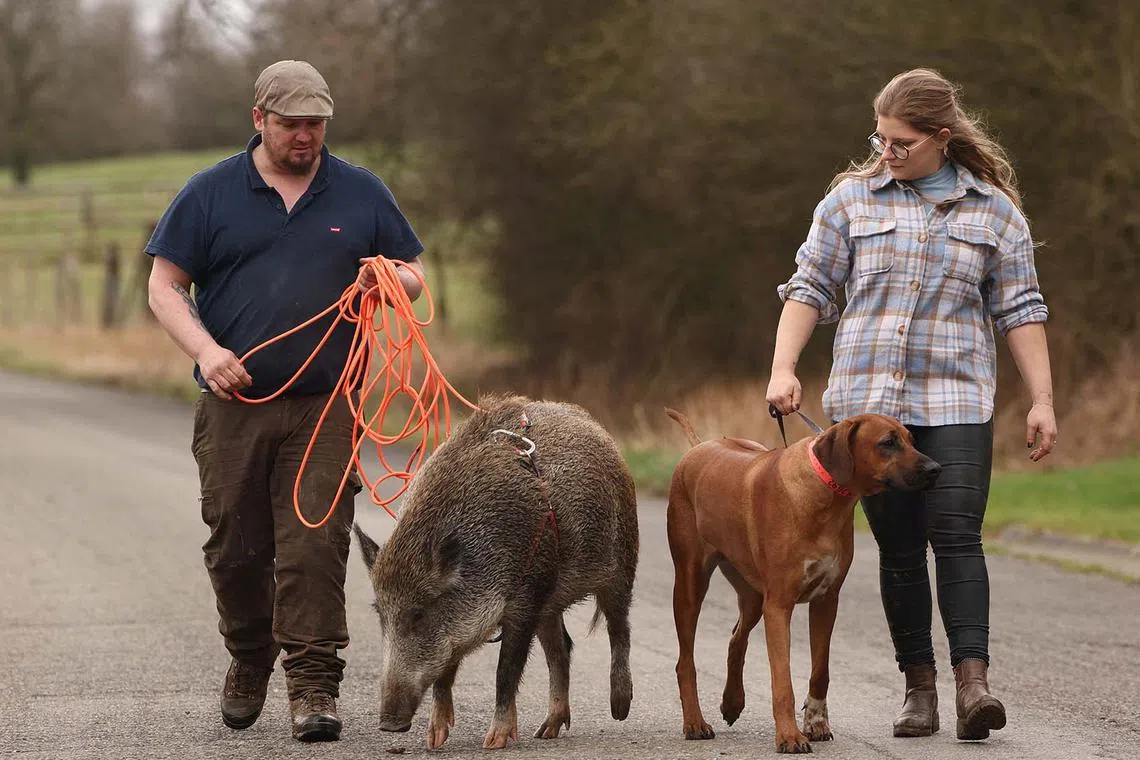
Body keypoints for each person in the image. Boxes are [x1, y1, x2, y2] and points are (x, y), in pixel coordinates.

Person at [766, 68, 1057, 742]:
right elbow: (808, 287)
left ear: (941, 139)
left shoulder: (994, 212)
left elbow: (1021, 309)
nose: (885, 153)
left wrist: (1041, 398)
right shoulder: (848, 203)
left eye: (901, 143)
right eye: (881, 138)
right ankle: (918, 687)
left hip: (955, 398)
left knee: (957, 534)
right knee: (898, 550)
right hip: (868, 407)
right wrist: (784, 368)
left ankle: (973, 684)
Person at [146, 59, 425, 742]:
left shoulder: (361, 193)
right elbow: (164, 285)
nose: (305, 136)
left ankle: (313, 686)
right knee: (236, 548)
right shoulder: (210, 193)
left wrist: (393, 279)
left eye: (315, 124)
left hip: (327, 402)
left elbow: (414, 273)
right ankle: (248, 656)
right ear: (259, 121)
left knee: (314, 546)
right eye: (291, 124)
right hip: (233, 404)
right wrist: (208, 353)